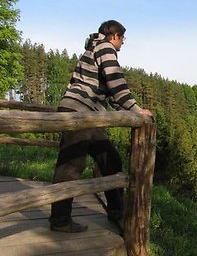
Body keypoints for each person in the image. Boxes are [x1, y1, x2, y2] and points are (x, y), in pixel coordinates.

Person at [49, 20, 152, 233]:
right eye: (123, 38)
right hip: (80, 113)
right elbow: (116, 82)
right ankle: (60, 220)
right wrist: (135, 109)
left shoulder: (94, 49)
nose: (123, 43)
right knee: (71, 165)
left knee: (110, 159)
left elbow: (108, 91)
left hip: (89, 114)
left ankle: (116, 212)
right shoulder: (105, 47)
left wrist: (125, 108)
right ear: (114, 35)